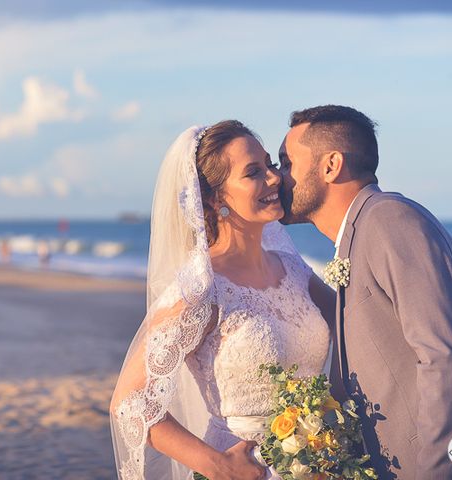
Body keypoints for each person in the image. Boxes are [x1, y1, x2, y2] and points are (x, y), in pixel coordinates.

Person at [110, 121, 336, 479]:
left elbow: (353, 318)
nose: (274, 178)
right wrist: (217, 465)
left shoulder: (294, 269)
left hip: (315, 464)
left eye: (269, 165)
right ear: (216, 198)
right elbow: (130, 402)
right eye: (253, 172)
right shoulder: (202, 290)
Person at [278, 105, 452, 479]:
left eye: (286, 162)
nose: (278, 178)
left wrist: (436, 470)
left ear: (331, 165)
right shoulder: (355, 236)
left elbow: (443, 354)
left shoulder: (390, 220)